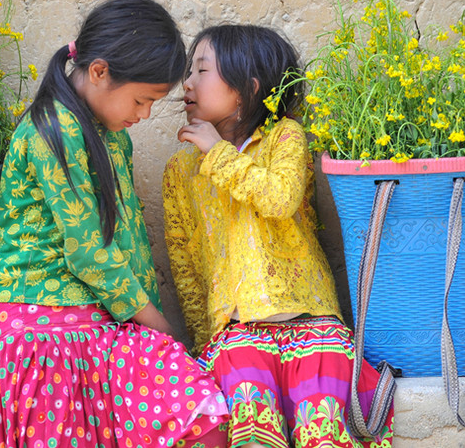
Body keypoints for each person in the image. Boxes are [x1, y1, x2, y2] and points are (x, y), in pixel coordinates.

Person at [0, 0, 230, 448]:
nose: (144, 114)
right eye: (142, 99)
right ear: (98, 71)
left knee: (204, 420)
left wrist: (149, 326)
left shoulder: (113, 137)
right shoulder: (51, 129)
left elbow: (127, 238)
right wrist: (158, 325)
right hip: (38, 324)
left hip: (104, 316)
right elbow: (89, 252)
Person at [162, 24, 394, 448]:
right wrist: (203, 345)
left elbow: (279, 199)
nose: (188, 83)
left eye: (201, 70)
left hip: (312, 328)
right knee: (252, 438)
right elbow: (185, 267)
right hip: (236, 337)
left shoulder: (285, 138)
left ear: (245, 90)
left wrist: (219, 154)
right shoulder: (181, 170)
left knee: (324, 437)